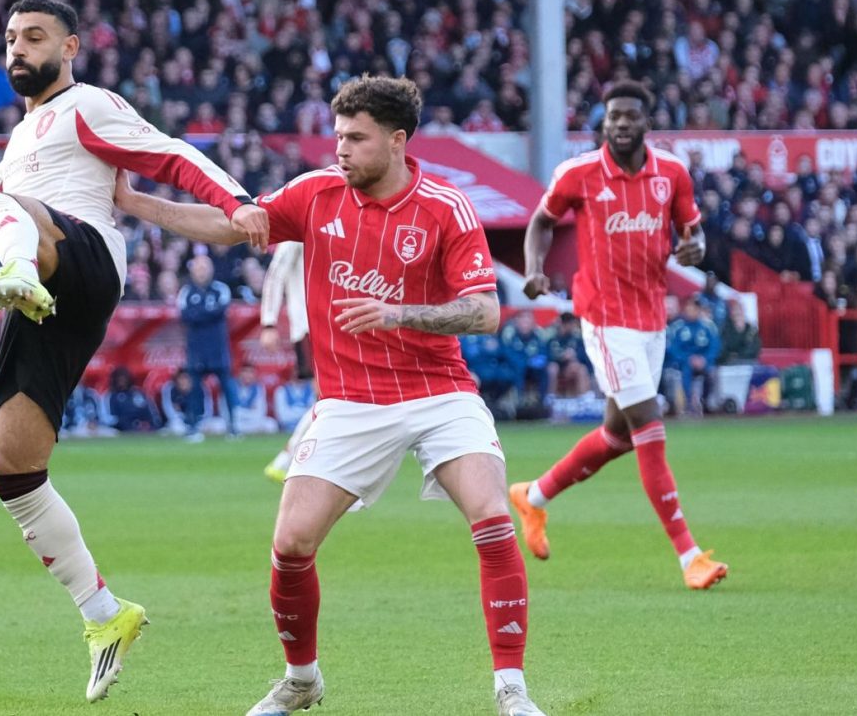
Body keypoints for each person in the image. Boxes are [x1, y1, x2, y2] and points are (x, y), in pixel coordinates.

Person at [0, 0, 268, 701]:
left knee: (5, 208)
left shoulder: (87, 104)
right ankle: (105, 616)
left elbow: (169, 156)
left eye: (36, 37)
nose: (19, 49)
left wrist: (235, 200)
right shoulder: (25, 135)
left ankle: (18, 271)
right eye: (13, 38)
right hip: (44, 282)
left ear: (71, 46)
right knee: (13, 467)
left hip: (79, 257)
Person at [116, 75, 545, 716]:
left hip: (439, 393)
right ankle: (301, 679)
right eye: (337, 136)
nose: (340, 149)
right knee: (290, 544)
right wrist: (138, 203)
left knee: (491, 519)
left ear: (397, 141)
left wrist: (400, 313)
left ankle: (512, 690)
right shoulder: (316, 194)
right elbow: (234, 226)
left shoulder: (445, 208)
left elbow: (484, 313)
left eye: (355, 138)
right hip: (348, 401)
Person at [515, 80, 728, 590]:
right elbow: (541, 221)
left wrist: (694, 247)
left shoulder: (671, 173)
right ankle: (690, 557)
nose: (622, 124)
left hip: (652, 317)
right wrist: (534, 268)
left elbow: (690, 233)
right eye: (614, 117)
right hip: (605, 320)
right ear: (604, 123)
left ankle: (533, 495)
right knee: (651, 429)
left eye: (631, 116)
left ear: (646, 122)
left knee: (617, 435)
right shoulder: (579, 173)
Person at [259, 240, 318, 482]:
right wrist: (269, 322)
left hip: (334, 324)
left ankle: (290, 459)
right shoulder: (299, 227)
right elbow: (275, 274)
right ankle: (288, 458)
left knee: (333, 400)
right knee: (332, 399)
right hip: (310, 327)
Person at [177, 254, 241, 436]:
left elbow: (220, 311)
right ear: (192, 271)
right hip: (196, 350)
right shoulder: (186, 292)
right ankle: (194, 426)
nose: (202, 272)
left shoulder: (221, 289)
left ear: (211, 269)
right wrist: (207, 312)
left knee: (227, 387)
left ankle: (233, 425)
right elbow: (186, 315)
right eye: (198, 268)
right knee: (194, 389)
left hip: (218, 348)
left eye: (204, 268)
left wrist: (200, 313)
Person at [667, 298, 721, 415]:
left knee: (712, 372)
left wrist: (705, 359)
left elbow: (714, 346)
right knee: (686, 370)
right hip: (684, 363)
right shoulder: (677, 327)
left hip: (703, 362)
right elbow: (673, 349)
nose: (692, 311)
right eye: (690, 308)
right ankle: (688, 404)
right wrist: (687, 359)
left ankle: (706, 402)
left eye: (695, 308)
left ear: (698, 310)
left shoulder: (708, 327)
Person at [104, 366, 160, 432]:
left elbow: (152, 412)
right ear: (115, 380)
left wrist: (152, 424)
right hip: (120, 430)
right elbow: (107, 418)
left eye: (124, 379)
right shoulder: (110, 395)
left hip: (144, 428)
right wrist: (124, 423)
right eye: (119, 379)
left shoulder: (140, 393)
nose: (122, 382)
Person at [231, 363, 279, 434]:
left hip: (254, 422)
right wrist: (249, 411)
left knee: (271, 424)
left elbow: (260, 412)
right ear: (240, 373)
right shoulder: (231, 388)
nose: (248, 375)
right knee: (220, 425)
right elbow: (229, 412)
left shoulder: (259, 388)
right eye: (245, 372)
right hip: (237, 422)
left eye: (250, 372)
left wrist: (240, 412)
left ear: (254, 375)